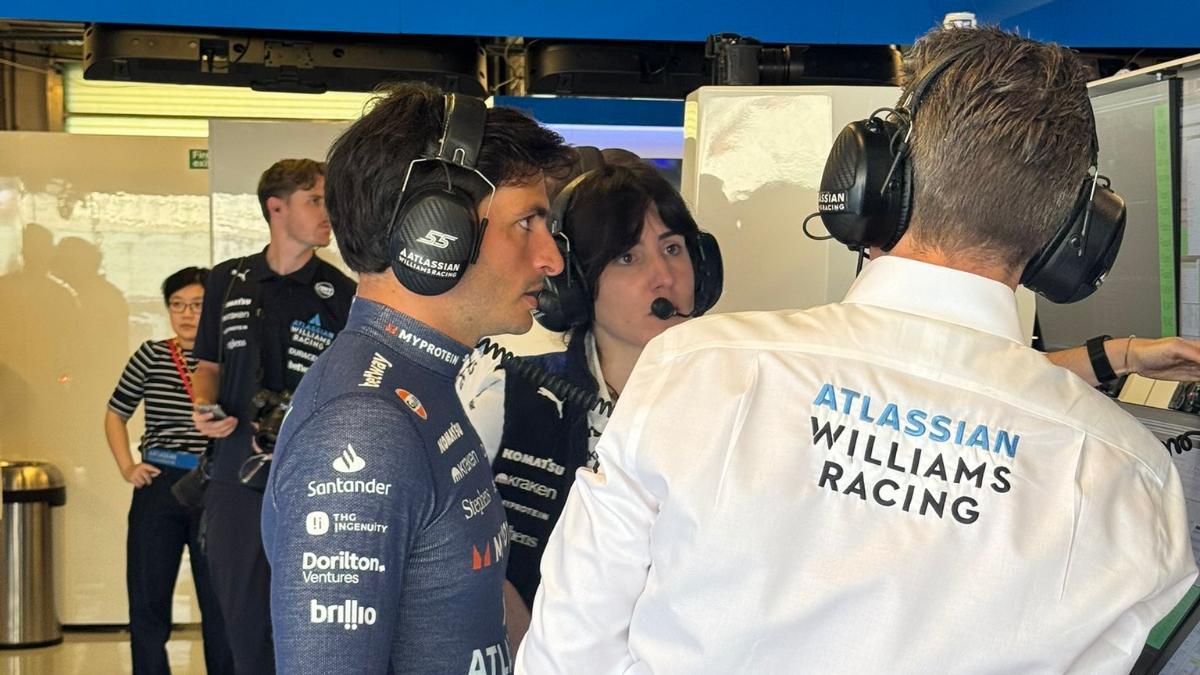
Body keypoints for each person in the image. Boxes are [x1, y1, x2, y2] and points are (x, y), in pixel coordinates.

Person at [517, 27, 1198, 674]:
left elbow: (566, 656)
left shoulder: (691, 372)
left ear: (873, 183)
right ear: (1076, 234)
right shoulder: (1133, 485)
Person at [261, 84, 573, 673]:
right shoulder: (365, 426)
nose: (551, 259)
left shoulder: (417, 383)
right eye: (527, 222)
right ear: (439, 230)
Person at [458, 156, 721, 649]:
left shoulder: (736, 399)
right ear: (575, 283)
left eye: (673, 248)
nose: (663, 277)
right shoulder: (507, 388)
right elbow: (453, 539)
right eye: (628, 258)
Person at [191, 159, 355, 674]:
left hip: (315, 480)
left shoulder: (341, 292)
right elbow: (207, 366)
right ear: (276, 208)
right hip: (235, 475)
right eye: (316, 201)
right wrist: (203, 407)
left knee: (312, 618)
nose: (328, 214)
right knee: (243, 624)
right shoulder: (228, 280)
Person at [104, 266, 233, 674]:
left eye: (196, 305)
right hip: (159, 484)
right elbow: (115, 413)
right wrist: (128, 467)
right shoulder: (150, 355)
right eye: (177, 305)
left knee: (219, 603)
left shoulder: (230, 357)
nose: (186, 314)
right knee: (147, 598)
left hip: (213, 484)